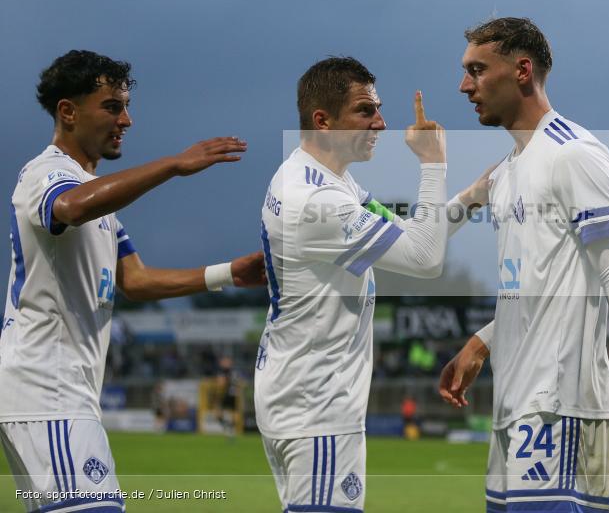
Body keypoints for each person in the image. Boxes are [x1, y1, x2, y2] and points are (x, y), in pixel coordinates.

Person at [0, 50, 266, 513]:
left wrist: (226, 273)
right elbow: (72, 207)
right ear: (67, 112)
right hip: (46, 386)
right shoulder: (46, 174)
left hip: (65, 391)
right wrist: (173, 165)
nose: (127, 119)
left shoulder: (97, 198)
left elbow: (135, 280)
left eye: (125, 105)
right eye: (111, 106)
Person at [438, 18, 609, 512]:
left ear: (522, 70)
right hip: (514, 403)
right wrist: (484, 341)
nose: (465, 86)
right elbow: (537, 283)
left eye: (477, 70)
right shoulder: (506, 172)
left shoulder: (573, 153)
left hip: (556, 404)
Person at [255, 56, 448, 513]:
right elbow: (425, 258)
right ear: (323, 121)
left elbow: (410, 237)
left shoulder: (319, 178)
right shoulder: (320, 201)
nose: (381, 123)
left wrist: (475, 196)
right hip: (318, 405)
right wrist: (433, 165)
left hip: (299, 395)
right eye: (365, 111)